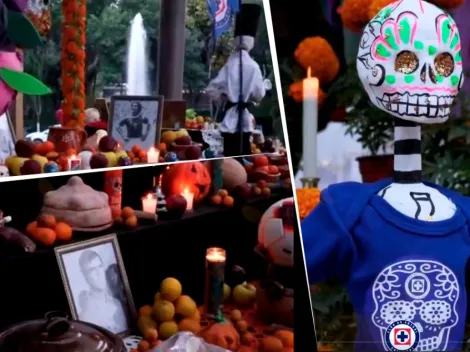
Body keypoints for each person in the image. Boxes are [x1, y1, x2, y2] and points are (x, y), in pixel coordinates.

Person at [206, 3, 268, 157]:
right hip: (244, 122)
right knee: (243, 158)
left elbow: (211, 90)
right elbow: (259, 94)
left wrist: (224, 97)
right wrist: (263, 87)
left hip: (230, 118)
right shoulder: (253, 67)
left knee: (229, 157)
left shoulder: (229, 64)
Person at [78, 250, 127, 334]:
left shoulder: (117, 303)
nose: (99, 273)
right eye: (92, 270)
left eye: (100, 267)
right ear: (85, 275)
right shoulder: (86, 314)